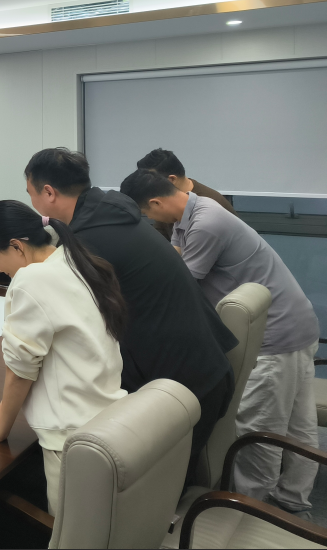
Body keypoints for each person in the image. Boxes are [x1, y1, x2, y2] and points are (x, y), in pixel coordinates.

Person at [23, 148, 237, 483]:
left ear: (48, 192)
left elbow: (66, 325)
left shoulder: (88, 242)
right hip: (204, 372)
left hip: (182, 396)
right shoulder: (113, 215)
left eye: (31, 193)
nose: (33, 203)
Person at [121, 169, 321, 515]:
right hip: (295, 325)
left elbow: (182, 284)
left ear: (155, 202)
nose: (150, 220)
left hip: (274, 338)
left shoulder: (206, 223)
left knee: (257, 429)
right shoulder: (191, 215)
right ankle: (291, 500)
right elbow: (175, 260)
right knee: (297, 424)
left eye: (146, 213)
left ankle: (248, 511)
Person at [0, 200, 126, 516]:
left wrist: (2, 427)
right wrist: (1, 410)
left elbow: (20, 369)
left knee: (72, 532)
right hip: (106, 419)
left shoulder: (33, 279)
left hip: (70, 438)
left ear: (17, 246)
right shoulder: (72, 260)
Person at [136, 148, 235, 241]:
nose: (147, 187)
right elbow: (159, 237)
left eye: (151, 181)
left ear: (171, 180)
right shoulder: (165, 200)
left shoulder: (207, 206)